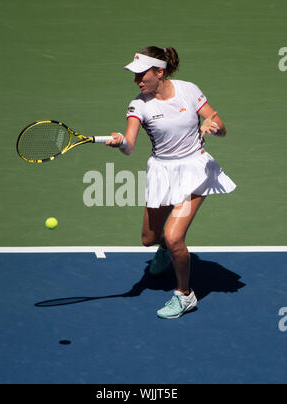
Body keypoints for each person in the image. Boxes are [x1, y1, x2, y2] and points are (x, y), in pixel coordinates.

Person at [106, 46, 236, 319]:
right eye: (135, 75)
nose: (138, 80)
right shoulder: (139, 105)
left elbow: (218, 122)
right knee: (149, 239)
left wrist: (213, 126)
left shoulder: (189, 90)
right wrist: (120, 142)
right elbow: (130, 146)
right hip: (162, 173)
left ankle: (185, 295)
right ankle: (163, 249)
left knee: (174, 236)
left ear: (159, 72)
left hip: (196, 170)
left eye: (142, 74)